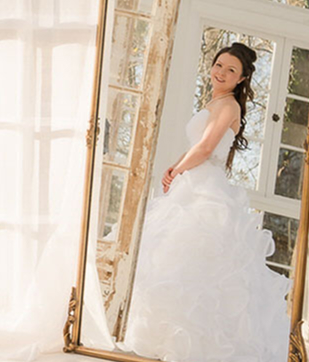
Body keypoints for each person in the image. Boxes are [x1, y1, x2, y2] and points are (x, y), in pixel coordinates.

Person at [120, 42, 291, 362]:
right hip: (194, 182)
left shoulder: (228, 107)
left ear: (241, 79)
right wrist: (177, 168)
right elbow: (197, 148)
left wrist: (176, 168)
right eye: (219, 65)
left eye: (231, 70)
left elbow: (205, 148)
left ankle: (194, 349)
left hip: (206, 190)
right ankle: (166, 342)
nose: (222, 73)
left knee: (195, 266)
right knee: (173, 262)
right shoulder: (215, 102)